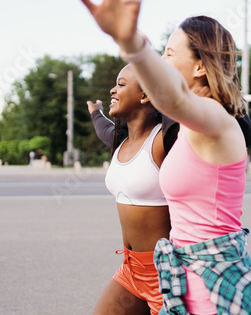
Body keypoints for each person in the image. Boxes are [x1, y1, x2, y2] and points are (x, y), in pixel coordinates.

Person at [76, 0, 251, 315]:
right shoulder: (187, 124)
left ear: (200, 67)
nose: (161, 61)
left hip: (215, 289)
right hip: (179, 278)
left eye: (169, 54)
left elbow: (170, 96)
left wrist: (130, 41)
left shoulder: (216, 120)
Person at [88, 64, 170, 315]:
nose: (113, 89)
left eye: (121, 84)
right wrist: (96, 113)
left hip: (166, 275)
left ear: (146, 95)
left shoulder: (163, 141)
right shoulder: (120, 142)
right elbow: (104, 130)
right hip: (131, 271)